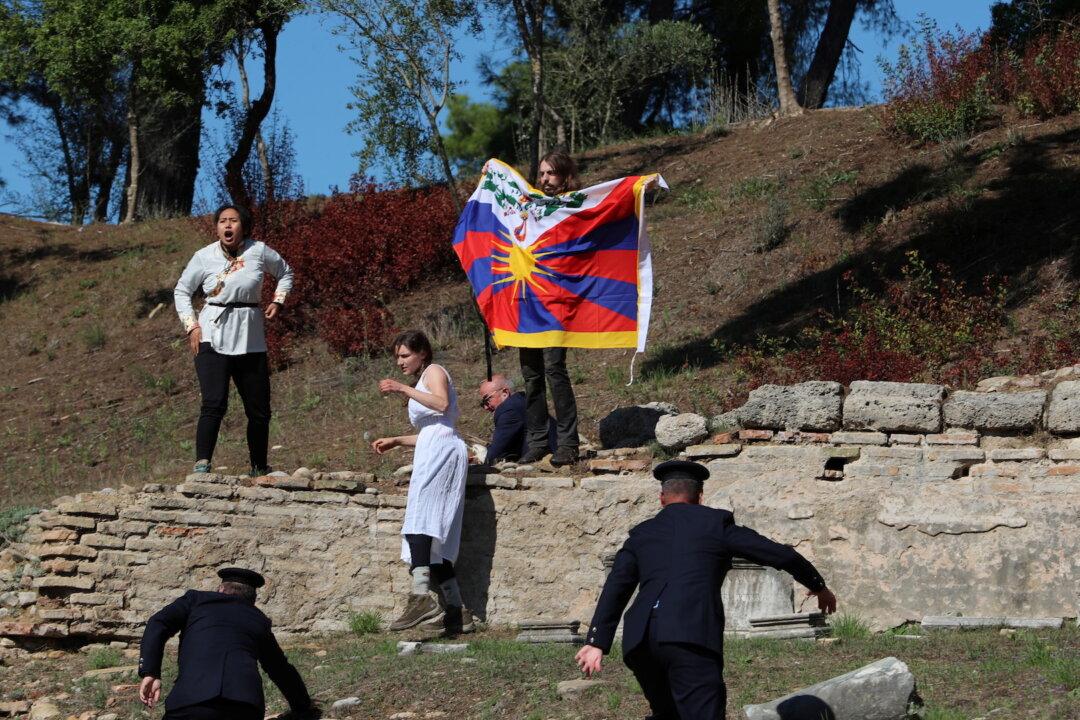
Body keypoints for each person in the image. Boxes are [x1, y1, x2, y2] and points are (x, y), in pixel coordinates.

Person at [574, 460, 838, 719]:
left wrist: (596, 642)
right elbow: (780, 554)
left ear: (662, 498)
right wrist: (818, 586)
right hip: (689, 634)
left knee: (667, 713)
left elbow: (616, 585)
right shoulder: (716, 524)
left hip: (640, 641)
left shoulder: (642, 533)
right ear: (700, 496)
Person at [174, 204, 292, 477]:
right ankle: (202, 464)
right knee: (214, 402)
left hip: (250, 336)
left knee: (259, 408)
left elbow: (286, 272)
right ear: (217, 228)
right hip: (211, 335)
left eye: (233, 220)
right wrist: (192, 326)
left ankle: (259, 468)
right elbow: (182, 290)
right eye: (222, 221)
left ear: (243, 226)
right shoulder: (204, 256)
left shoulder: (258, 251)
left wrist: (278, 300)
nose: (227, 225)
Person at [371, 330, 473, 635]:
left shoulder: (435, 371)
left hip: (442, 451)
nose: (400, 362)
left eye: (405, 355)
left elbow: (442, 404)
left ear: (422, 353)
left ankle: (421, 597)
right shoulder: (421, 380)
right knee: (430, 532)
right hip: (433, 447)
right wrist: (397, 440)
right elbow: (433, 428)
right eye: (397, 357)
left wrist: (401, 388)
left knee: (419, 522)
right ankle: (457, 611)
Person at [137, 567, 315, 720]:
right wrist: (303, 707)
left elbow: (159, 623)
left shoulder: (196, 600)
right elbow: (279, 668)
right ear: (252, 600)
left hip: (192, 702)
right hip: (244, 706)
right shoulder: (258, 619)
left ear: (221, 589)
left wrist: (150, 671)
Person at [518, 151, 582, 467]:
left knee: (555, 370)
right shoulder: (530, 206)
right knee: (531, 375)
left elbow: (610, 203)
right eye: (542, 173)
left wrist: (638, 187)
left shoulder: (575, 205)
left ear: (565, 175)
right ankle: (538, 442)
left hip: (557, 300)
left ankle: (568, 443)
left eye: (551, 173)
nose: (545, 179)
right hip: (528, 299)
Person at [477, 373, 556, 464]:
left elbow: (494, 455)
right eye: (482, 404)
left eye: (487, 400)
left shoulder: (509, 410)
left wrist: (479, 457)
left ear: (505, 393)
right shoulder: (521, 401)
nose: (486, 407)